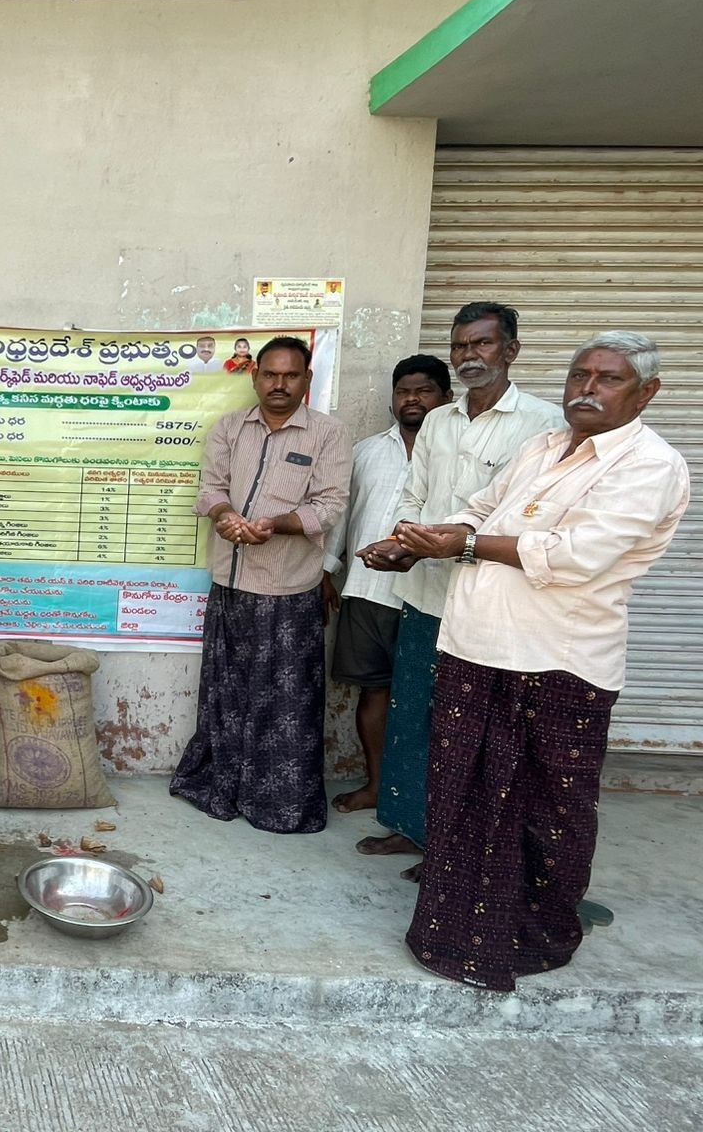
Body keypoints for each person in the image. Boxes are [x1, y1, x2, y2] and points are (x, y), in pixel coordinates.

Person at [394, 332, 687, 991]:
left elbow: (574, 555)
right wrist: (423, 539)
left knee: (546, 808)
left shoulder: (650, 465)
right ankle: (448, 933)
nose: (587, 388)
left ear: (647, 392)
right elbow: (481, 509)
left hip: (558, 663)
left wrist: (464, 545)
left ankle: (531, 939)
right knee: (463, 795)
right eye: (580, 374)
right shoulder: (544, 445)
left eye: (608, 378)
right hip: (476, 649)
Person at [356, 302, 563, 867]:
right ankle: (408, 825)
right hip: (425, 595)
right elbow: (414, 496)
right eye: (459, 346)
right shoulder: (440, 421)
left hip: (489, 603)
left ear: (510, 350)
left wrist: (450, 543)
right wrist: (404, 542)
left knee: (472, 728)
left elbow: (534, 516)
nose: (469, 355)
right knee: (412, 714)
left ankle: (454, 846)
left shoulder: (543, 425)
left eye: (482, 343)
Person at [169, 336, 349, 833]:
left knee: (284, 705)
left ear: (307, 380)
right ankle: (223, 786)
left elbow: (330, 505)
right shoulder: (230, 428)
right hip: (230, 584)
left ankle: (280, 803)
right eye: (270, 374)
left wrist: (275, 524)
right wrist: (226, 516)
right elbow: (210, 488)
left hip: (289, 591)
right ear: (255, 377)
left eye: (291, 375)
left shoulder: (329, 434)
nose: (279, 384)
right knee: (226, 695)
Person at [322, 355, 452, 814]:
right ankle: (377, 786)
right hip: (367, 591)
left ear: (446, 397)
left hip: (435, 595)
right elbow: (341, 515)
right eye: (403, 391)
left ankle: (422, 799)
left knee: (426, 700)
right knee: (373, 691)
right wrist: (327, 571)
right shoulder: (365, 452)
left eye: (424, 390)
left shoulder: (457, 451)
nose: (412, 399)